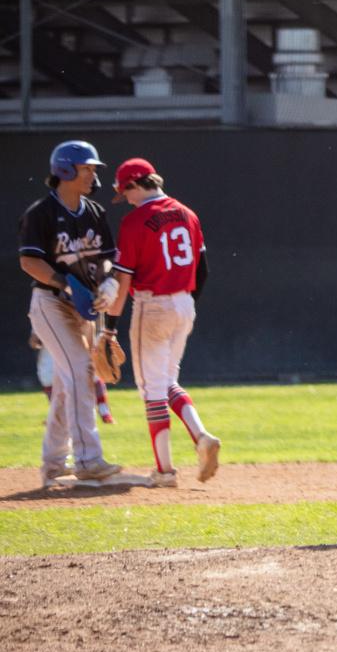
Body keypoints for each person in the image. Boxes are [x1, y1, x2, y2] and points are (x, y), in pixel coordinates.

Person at [104, 157, 221, 487]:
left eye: (125, 192)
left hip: (152, 306)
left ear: (135, 185)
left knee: (152, 391)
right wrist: (184, 303)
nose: (126, 199)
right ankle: (201, 435)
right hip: (184, 304)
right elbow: (203, 271)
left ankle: (165, 472)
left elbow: (123, 282)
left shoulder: (134, 222)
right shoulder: (188, 214)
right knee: (167, 381)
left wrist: (109, 327)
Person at [17, 141, 123, 486]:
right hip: (51, 303)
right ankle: (88, 459)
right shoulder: (41, 213)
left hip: (85, 307)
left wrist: (108, 282)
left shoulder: (94, 212)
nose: (93, 174)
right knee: (81, 370)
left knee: (67, 385)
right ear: (64, 170)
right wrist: (64, 284)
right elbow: (29, 261)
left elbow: (107, 257)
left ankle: (52, 464)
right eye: (86, 168)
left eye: (93, 169)